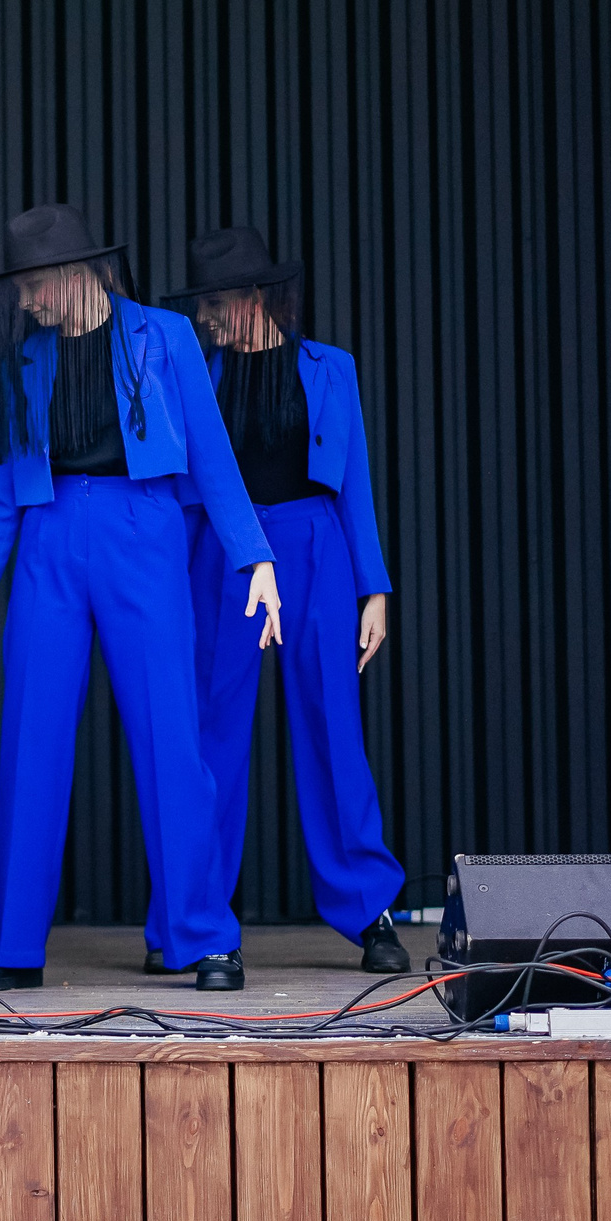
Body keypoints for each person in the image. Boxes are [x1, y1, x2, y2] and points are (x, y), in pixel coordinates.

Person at [0, 203, 279, 992]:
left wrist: (253, 556)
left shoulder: (166, 336)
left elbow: (214, 457)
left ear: (75, 272)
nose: (25, 302)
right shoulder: (26, 363)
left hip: (142, 531)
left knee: (171, 738)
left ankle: (204, 935)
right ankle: (14, 947)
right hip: (49, 539)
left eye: (32, 285)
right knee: (31, 739)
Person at [173, 227, 409, 975]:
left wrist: (375, 587)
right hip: (226, 555)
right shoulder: (199, 374)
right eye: (202, 303)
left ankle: (370, 909)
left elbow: (356, 486)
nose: (207, 317)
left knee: (334, 725)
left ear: (256, 297)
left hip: (316, 546)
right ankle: (194, 915)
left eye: (216, 302)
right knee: (212, 732)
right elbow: (184, 494)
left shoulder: (330, 370)